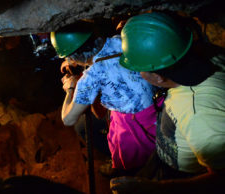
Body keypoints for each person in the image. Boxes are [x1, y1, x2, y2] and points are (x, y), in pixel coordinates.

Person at [110, 12, 225, 194]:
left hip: (182, 178)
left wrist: (154, 188)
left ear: (157, 76)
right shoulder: (206, 54)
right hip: (168, 155)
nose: (139, 74)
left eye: (140, 70)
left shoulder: (199, 117)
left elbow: (220, 179)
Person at [50, 21, 160, 173]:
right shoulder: (122, 39)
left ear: (75, 57)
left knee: (81, 127)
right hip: (158, 108)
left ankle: (126, 170)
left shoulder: (90, 78)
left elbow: (68, 119)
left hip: (135, 127)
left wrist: (70, 88)